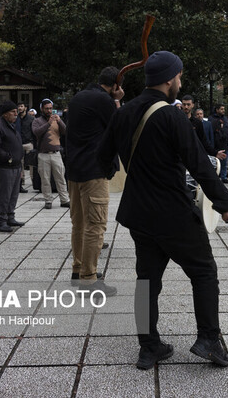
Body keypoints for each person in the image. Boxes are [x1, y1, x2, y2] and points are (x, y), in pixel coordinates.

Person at [98, 50, 228, 370]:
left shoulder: (122, 113)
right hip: (173, 213)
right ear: (168, 80)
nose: (180, 81)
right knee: (203, 272)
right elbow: (200, 165)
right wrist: (226, 204)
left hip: (138, 214)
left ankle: (149, 348)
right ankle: (208, 340)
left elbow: (103, 158)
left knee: (146, 280)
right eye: (179, 76)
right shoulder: (172, 115)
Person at [66, 66, 123, 290]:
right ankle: (88, 278)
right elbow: (119, 127)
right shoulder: (104, 101)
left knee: (78, 224)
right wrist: (117, 100)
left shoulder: (79, 97)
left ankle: (78, 270)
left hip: (75, 170)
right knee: (96, 225)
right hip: (94, 171)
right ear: (115, 85)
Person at [0, 101, 25, 232]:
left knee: (14, 193)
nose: (16, 114)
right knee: (4, 194)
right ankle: (1, 220)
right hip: (5, 166)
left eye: (17, 112)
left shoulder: (11, 125)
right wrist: (8, 157)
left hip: (16, 165)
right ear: (5, 114)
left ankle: (10, 216)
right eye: (13, 112)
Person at [32, 99, 70, 209]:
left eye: (50, 108)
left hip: (56, 153)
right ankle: (48, 200)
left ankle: (64, 200)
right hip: (43, 154)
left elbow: (65, 132)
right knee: (45, 179)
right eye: (46, 108)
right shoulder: (37, 121)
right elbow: (36, 133)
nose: (49, 110)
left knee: (61, 178)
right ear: (42, 109)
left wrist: (60, 121)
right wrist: (48, 123)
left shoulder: (57, 119)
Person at [182, 95, 226, 160]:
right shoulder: (177, 120)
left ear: (192, 105)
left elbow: (203, 141)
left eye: (188, 104)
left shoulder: (197, 123)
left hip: (193, 156)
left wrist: (215, 153)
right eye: (184, 104)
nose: (186, 107)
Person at [209, 104, 228, 182]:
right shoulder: (211, 118)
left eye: (224, 109)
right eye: (221, 109)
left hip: (224, 144)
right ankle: (215, 177)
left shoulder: (226, 119)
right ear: (217, 110)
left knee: (224, 162)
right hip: (215, 144)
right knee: (215, 163)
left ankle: (223, 177)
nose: (223, 110)